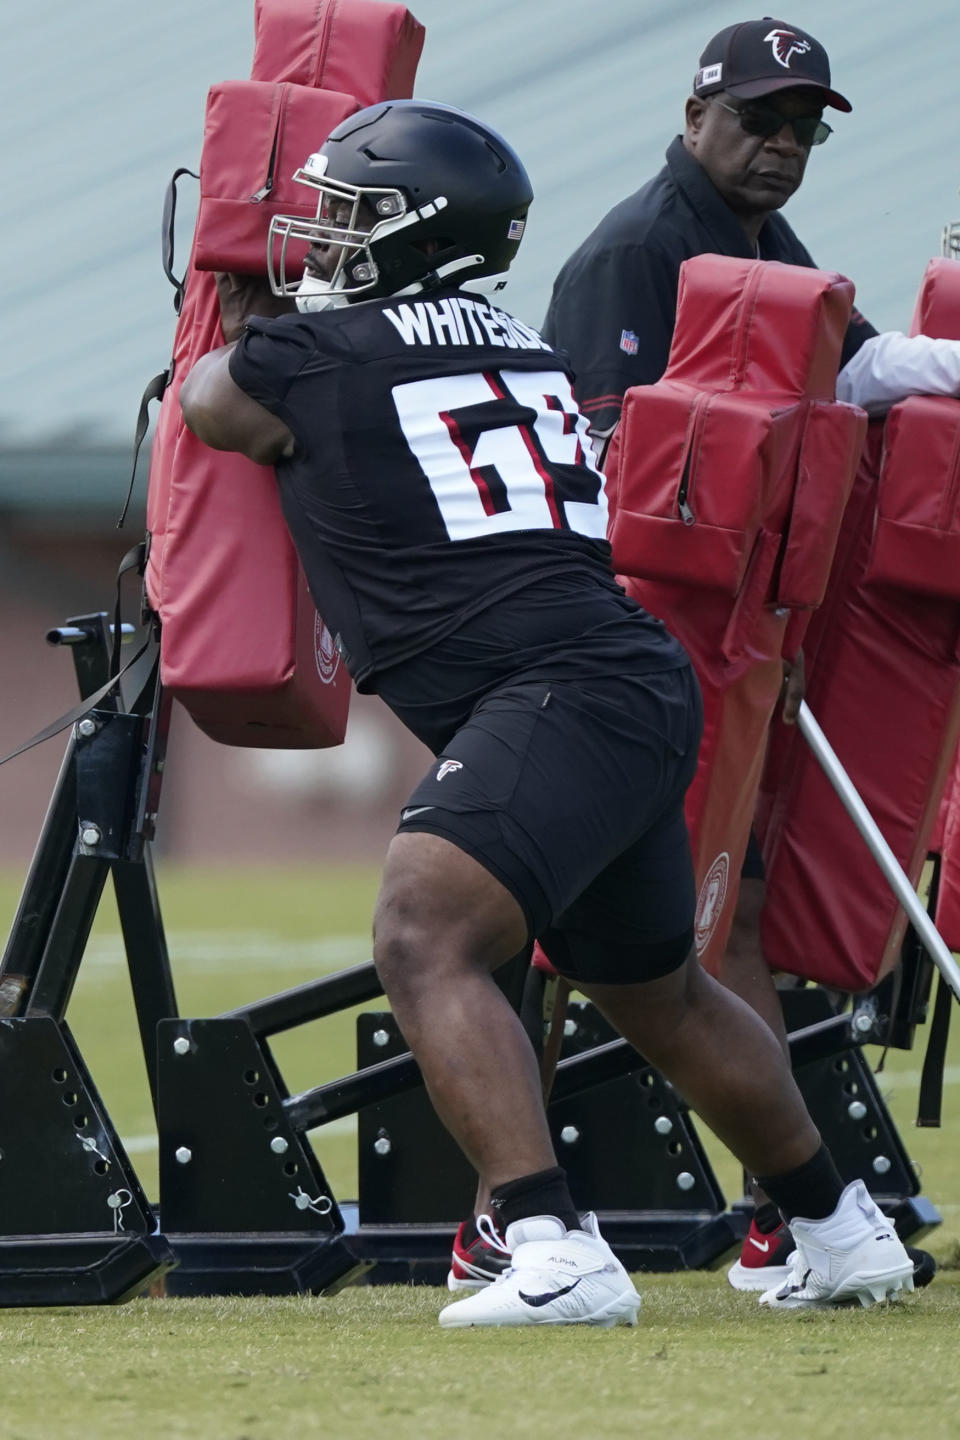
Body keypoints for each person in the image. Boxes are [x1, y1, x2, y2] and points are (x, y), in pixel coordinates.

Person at [180, 97, 916, 1326]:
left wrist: (238, 315)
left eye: (349, 218)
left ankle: (546, 1243)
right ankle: (840, 1227)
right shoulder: (519, 346)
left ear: (412, 233)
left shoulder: (313, 356)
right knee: (658, 993)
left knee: (424, 932)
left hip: (553, 691)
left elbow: (210, 404)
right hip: (626, 677)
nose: (322, 241)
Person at [541, 15, 954, 1295]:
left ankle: (799, 1212)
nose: (783, 147)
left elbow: (857, 361)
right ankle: (531, 1211)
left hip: (728, 649)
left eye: (804, 130)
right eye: (762, 120)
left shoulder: (768, 239)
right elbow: (594, 452)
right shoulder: (638, 248)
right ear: (696, 112)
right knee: (564, 929)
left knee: (729, 924)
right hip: (625, 646)